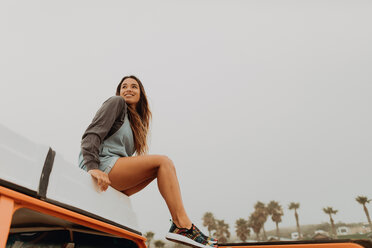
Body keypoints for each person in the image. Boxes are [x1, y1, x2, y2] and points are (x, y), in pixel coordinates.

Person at [78, 76, 217, 248]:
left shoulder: (136, 123)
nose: (128, 89)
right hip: (100, 166)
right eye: (124, 86)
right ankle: (183, 226)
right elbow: (90, 135)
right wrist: (93, 168)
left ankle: (183, 226)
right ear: (119, 91)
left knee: (160, 170)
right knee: (163, 162)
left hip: (112, 172)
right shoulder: (116, 103)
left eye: (134, 86)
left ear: (140, 94)